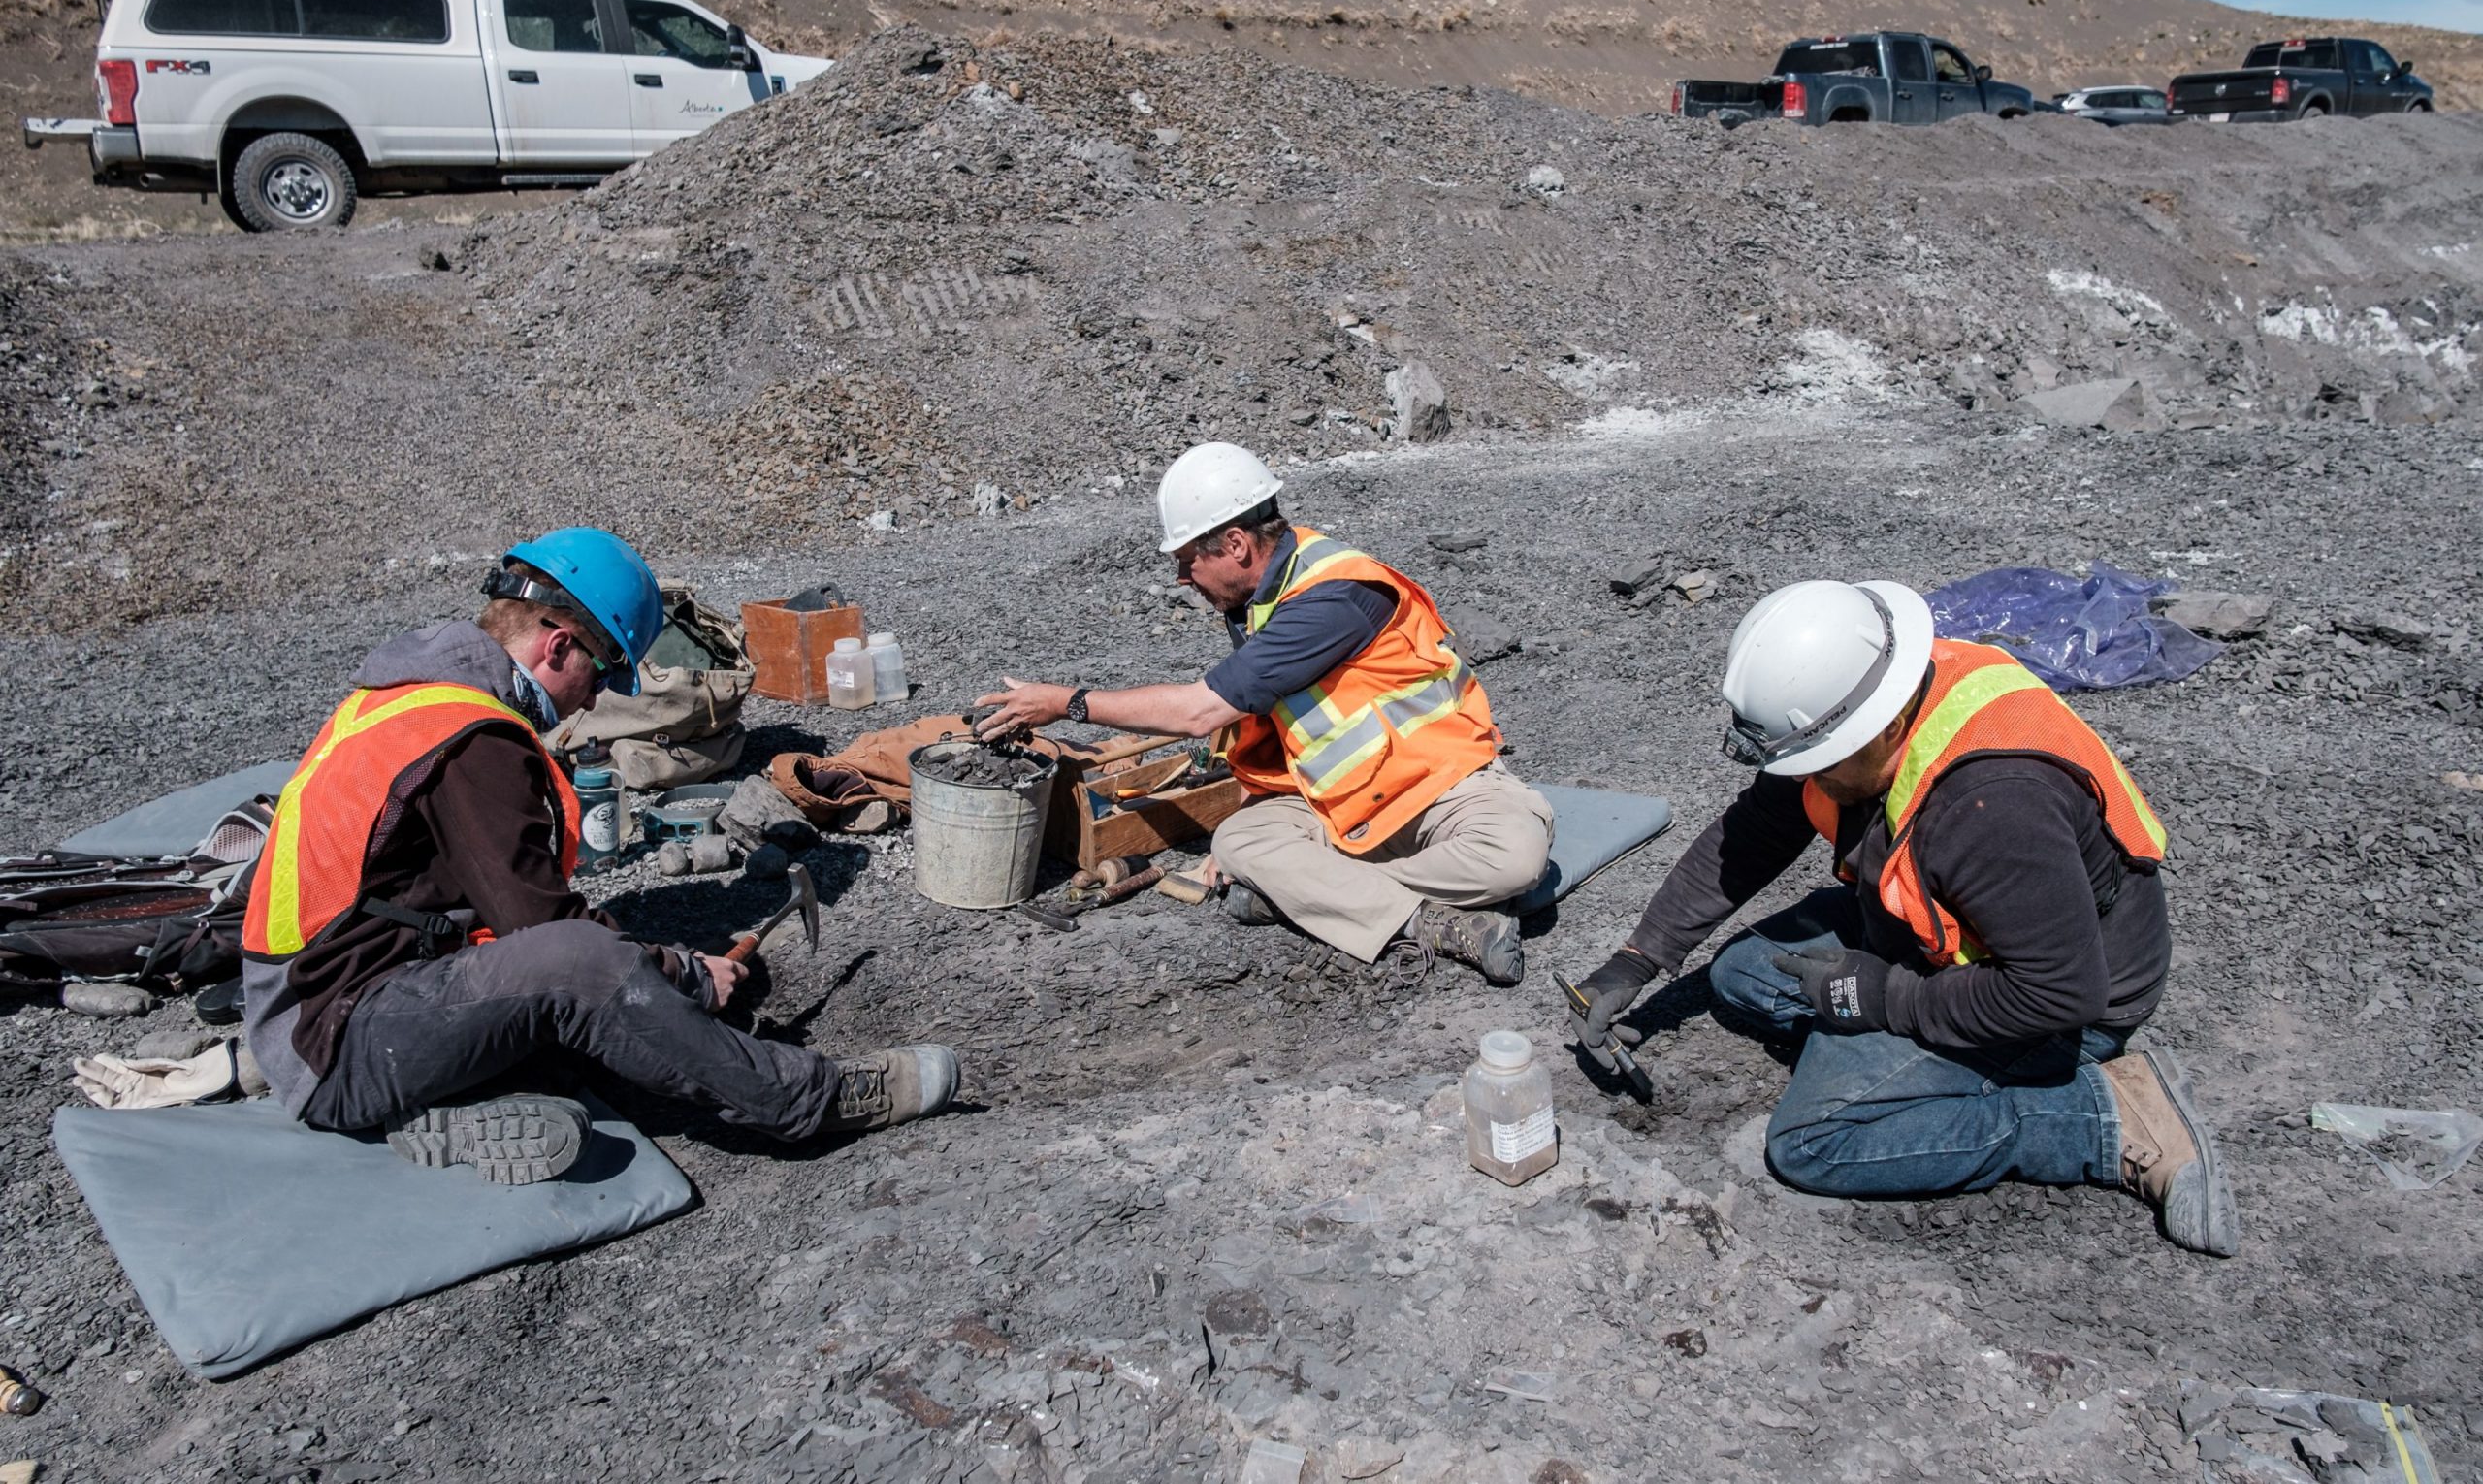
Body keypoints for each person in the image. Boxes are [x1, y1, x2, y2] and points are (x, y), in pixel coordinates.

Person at [242, 528, 957, 1184]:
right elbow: (545, 934)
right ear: (557, 648)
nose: (595, 700)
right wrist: (677, 973)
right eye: (605, 673)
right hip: (341, 1046)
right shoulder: (473, 741)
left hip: (328, 1015)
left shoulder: (412, 699)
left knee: (617, 999)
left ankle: (446, 1107)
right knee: (588, 967)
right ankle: (811, 1099)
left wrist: (656, 974)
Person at [1568, 578, 2240, 1256]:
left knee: (1814, 1144)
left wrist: (1885, 1000)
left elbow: (2061, 990)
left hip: (2061, 1003)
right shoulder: (1872, 694)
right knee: (1742, 976)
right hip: (1945, 932)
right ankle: (1896, 1062)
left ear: (1885, 725)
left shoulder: (1994, 807)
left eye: (1819, 765)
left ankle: (2106, 1114)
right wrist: (1637, 959)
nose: (1810, 779)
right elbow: (1752, 834)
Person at [975, 442, 1552, 984]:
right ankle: (1429, 918)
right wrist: (1255, 800)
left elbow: (1202, 711)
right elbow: (1275, 722)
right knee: (1238, 844)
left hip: (1442, 791)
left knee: (1517, 858)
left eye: (1186, 561)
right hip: (1344, 810)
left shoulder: (1333, 599)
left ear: (1234, 545)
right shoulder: (1260, 598)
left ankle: (1310, 899)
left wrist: (1068, 703)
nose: (1183, 579)